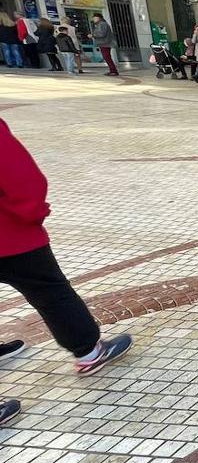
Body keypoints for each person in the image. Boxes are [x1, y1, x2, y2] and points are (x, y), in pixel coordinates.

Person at [1, 119, 134, 374]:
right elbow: (21, 177)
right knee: (51, 292)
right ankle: (89, 352)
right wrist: (32, 213)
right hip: (9, 234)